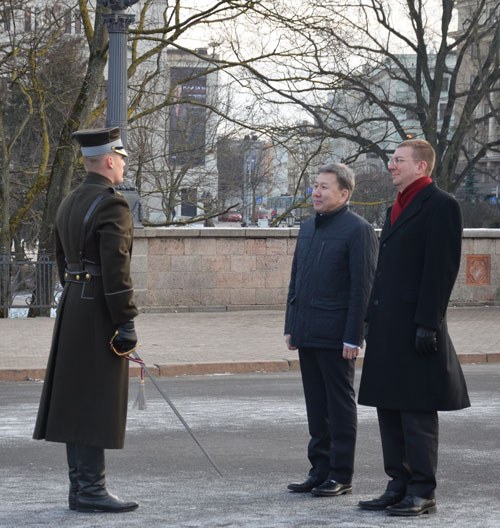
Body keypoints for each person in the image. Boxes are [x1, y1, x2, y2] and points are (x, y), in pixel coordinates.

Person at [357, 139, 470, 517]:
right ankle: (398, 484)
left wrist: (428, 322)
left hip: (417, 327)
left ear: (421, 167)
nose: (390, 166)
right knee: (389, 407)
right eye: (392, 159)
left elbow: (441, 270)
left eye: (398, 160)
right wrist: (371, 317)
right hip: (387, 325)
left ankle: (423, 490)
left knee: (416, 411)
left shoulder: (441, 206)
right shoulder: (395, 208)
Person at [33, 127, 140, 513]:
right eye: (123, 159)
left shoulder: (69, 200)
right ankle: (91, 491)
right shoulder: (113, 204)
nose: (125, 165)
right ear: (110, 160)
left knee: (77, 397)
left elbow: (62, 260)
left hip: (74, 304)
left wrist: (77, 292)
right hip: (99, 309)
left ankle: (80, 489)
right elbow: (117, 269)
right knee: (95, 399)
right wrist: (125, 321)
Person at [285, 163, 378, 497]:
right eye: (315, 186)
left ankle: (341, 474)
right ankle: (319, 469)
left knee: (339, 407)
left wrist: (355, 335)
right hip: (308, 330)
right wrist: (291, 325)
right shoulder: (308, 227)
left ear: (344, 193)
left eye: (325, 187)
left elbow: (362, 288)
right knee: (315, 407)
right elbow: (297, 279)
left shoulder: (358, 230)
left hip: (338, 335)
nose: (317, 192)